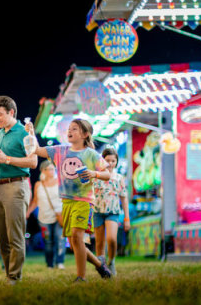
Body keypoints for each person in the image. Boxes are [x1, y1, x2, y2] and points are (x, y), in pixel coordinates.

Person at [25, 118, 112, 282]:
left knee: (77, 237)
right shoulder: (60, 150)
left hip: (83, 201)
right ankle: (100, 266)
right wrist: (30, 132)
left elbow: (107, 174)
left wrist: (95, 173)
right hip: (66, 202)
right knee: (73, 244)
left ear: (85, 134)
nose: (70, 131)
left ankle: (81, 277)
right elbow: (36, 149)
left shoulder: (91, 154)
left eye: (75, 129)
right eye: (69, 129)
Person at [0, 96, 37, 285]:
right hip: (0, 186)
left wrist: (6, 159)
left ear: (11, 112)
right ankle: (9, 274)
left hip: (17, 185)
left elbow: (33, 162)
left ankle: (15, 276)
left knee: (15, 235)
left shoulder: (25, 132)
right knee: (2, 237)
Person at [93, 148, 130, 277]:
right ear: (102, 160)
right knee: (99, 242)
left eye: (113, 161)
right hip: (97, 211)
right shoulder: (96, 175)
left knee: (112, 239)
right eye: (107, 160)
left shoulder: (119, 178)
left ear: (116, 162)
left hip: (112, 212)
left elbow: (124, 198)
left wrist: (127, 218)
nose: (110, 163)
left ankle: (111, 260)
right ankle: (102, 267)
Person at [26, 160, 65, 269]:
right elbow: (35, 201)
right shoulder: (38, 185)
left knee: (60, 239)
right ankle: (49, 264)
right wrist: (28, 212)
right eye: (50, 169)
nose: (52, 171)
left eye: (53, 169)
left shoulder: (60, 182)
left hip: (59, 215)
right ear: (43, 170)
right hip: (43, 217)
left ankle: (60, 262)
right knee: (48, 241)